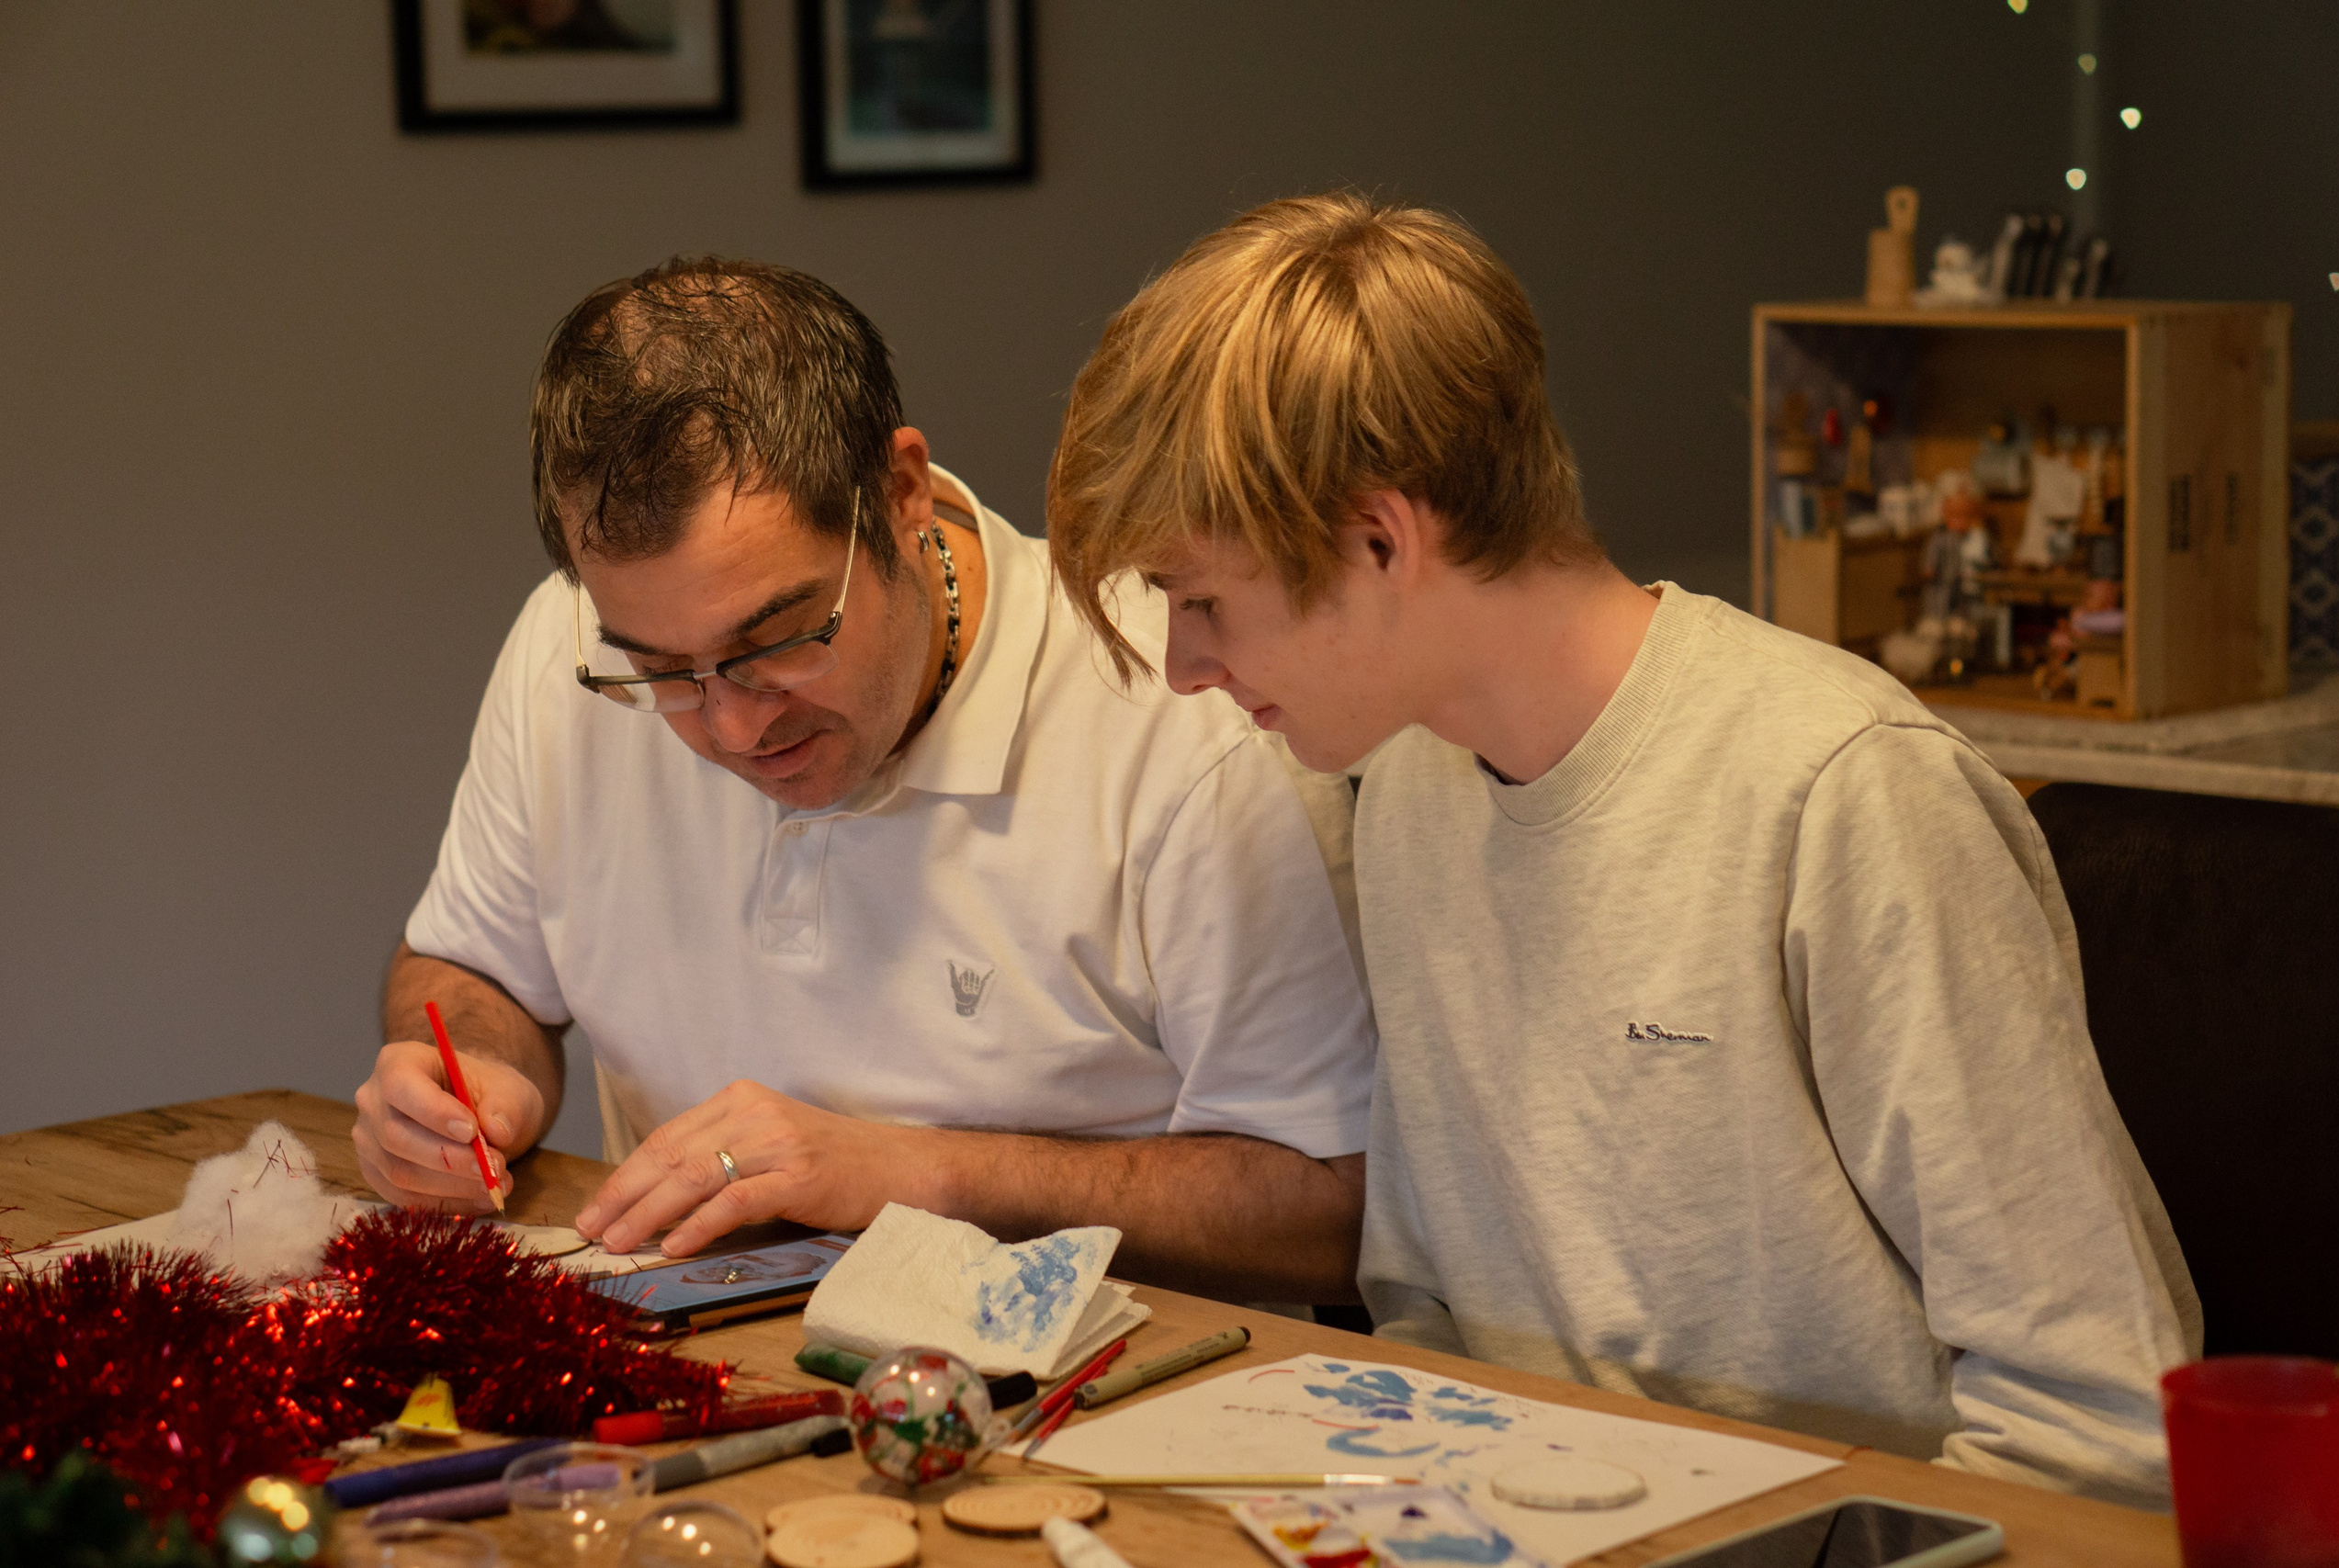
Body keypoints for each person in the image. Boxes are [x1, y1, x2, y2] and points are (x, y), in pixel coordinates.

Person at [1044, 194, 2198, 1505]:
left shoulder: (1846, 795)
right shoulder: (1409, 785)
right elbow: (1422, 1311)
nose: (1187, 664)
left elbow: (2101, 1420)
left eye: (1204, 599)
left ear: (1381, 538)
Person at [352, 256, 1376, 1304]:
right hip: (693, 1357)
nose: (736, 723)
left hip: (1108, 1402)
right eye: (664, 671)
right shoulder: (567, 651)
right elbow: (471, 969)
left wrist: (911, 1173)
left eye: (784, 637)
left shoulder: (1188, 716)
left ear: (901, 495)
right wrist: (471, 1072)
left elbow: (1332, 1211)